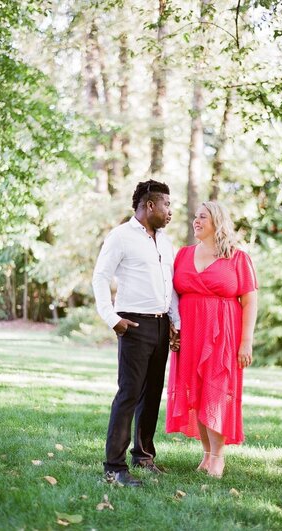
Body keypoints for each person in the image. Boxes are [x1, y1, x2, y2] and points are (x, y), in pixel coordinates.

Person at [92, 179, 180, 487]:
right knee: (129, 394)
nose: (171, 211)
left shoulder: (166, 242)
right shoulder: (121, 236)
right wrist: (111, 317)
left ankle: (143, 456)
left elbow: (170, 286)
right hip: (132, 323)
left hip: (159, 325)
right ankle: (114, 467)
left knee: (152, 395)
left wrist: (174, 321)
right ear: (150, 205)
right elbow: (100, 276)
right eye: (167, 205)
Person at [166, 201, 258, 478]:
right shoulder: (182, 255)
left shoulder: (238, 258)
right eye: (195, 217)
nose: (196, 221)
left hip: (223, 335)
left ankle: (219, 456)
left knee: (216, 391)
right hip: (191, 334)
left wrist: (246, 341)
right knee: (196, 391)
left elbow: (250, 301)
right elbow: (171, 295)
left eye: (202, 217)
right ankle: (206, 454)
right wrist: (172, 325)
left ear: (217, 221)